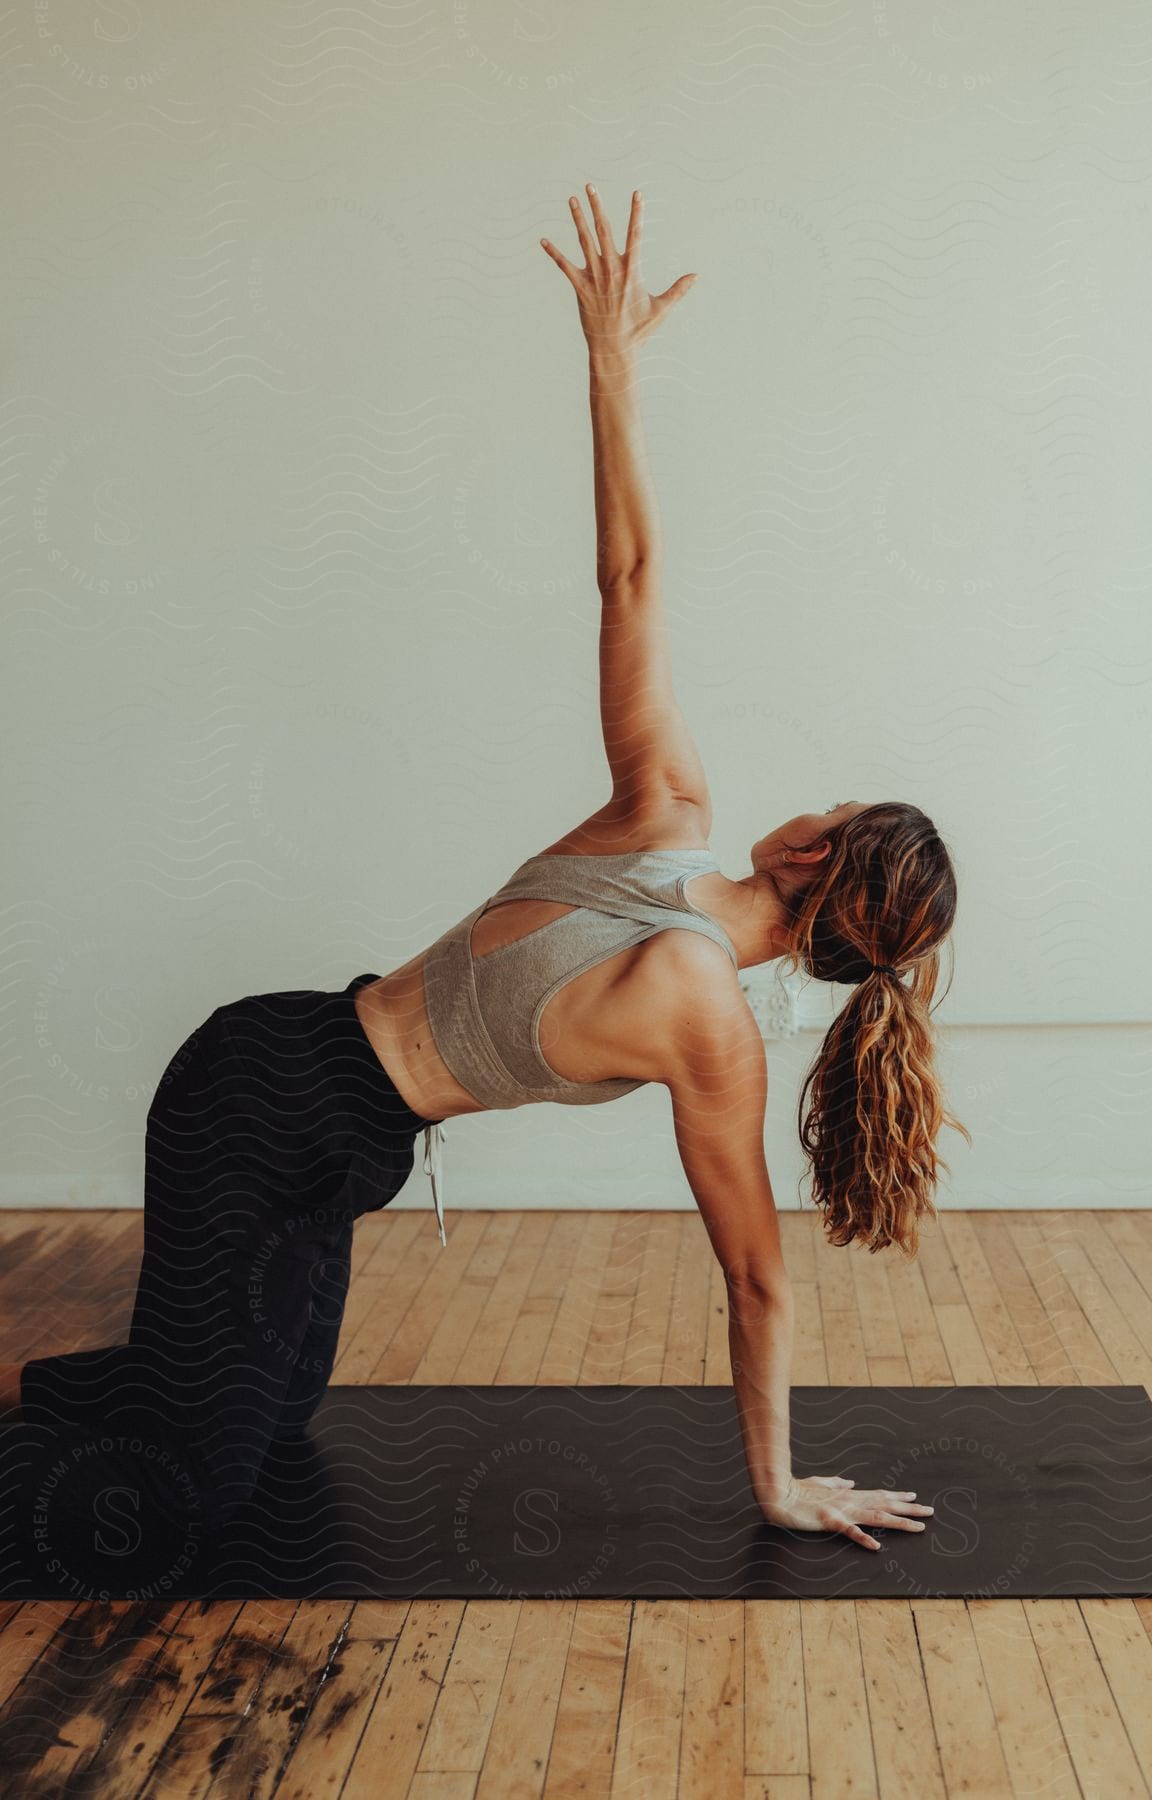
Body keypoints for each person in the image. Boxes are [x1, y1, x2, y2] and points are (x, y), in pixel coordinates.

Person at [2, 184, 961, 1564]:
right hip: (265, 1103)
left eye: (830, 805)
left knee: (265, 1432)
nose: (806, 805)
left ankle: (76, 1387)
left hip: (327, 1131)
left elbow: (629, 579)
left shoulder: (673, 843)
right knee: (180, 1502)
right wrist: (778, 1488)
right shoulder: (685, 898)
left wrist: (612, 365)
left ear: (811, 855)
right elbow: (758, 1280)